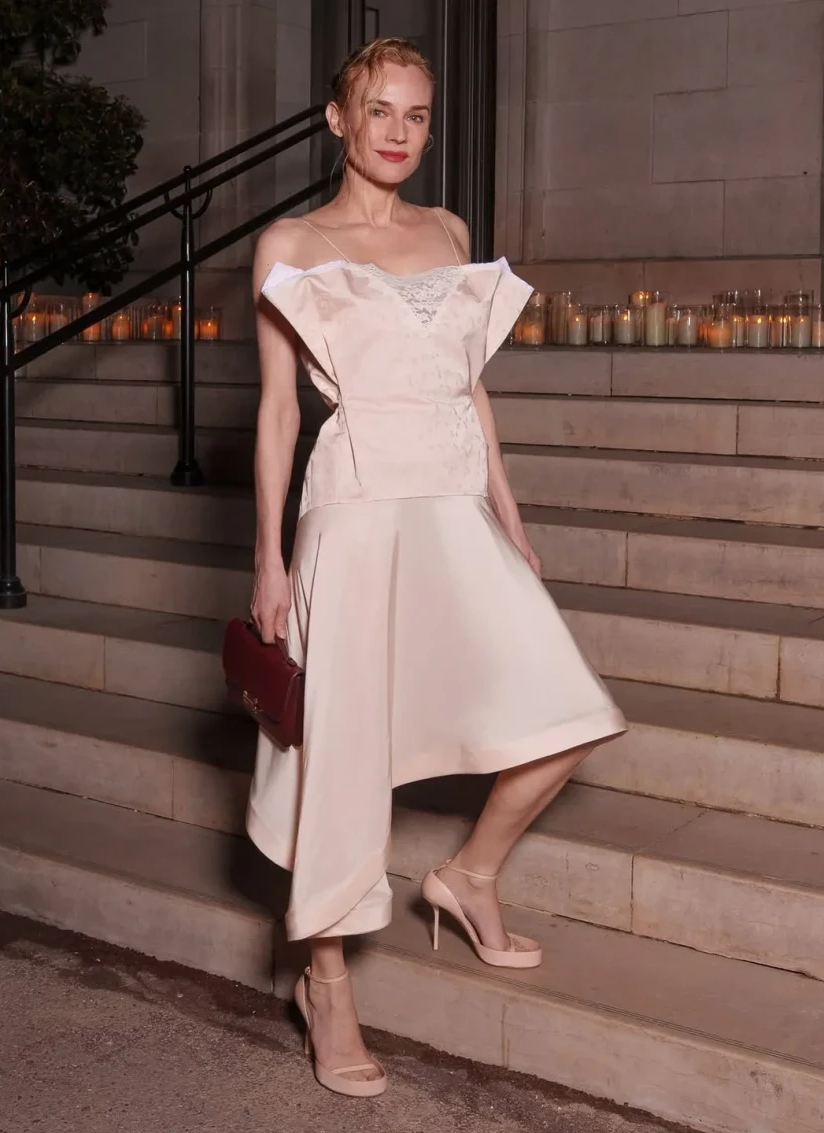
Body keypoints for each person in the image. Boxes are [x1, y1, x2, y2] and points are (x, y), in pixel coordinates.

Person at [247, 37, 626, 1098]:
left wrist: (507, 511)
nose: (399, 133)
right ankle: (327, 982)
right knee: (341, 757)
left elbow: (469, 388)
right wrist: (269, 557)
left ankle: (468, 873)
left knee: (570, 711)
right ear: (338, 118)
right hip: (356, 508)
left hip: (454, 501)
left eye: (416, 115)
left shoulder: (450, 231)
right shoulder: (291, 241)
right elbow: (278, 410)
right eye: (379, 111)